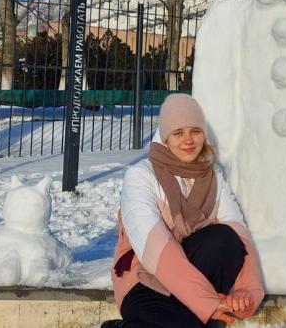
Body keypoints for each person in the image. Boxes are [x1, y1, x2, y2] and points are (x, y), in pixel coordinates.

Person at [101, 94, 265, 327]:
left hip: (195, 283)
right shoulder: (140, 176)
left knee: (225, 238)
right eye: (178, 133)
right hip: (145, 282)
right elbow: (155, 245)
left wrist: (248, 292)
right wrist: (206, 302)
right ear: (166, 137)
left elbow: (239, 234)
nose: (188, 140)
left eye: (195, 131)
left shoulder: (213, 176)